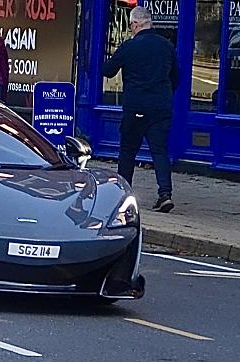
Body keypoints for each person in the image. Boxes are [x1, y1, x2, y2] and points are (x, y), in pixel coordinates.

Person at [102, 6, 179, 213]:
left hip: (136, 106)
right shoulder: (167, 46)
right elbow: (176, 78)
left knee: (127, 151)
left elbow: (107, 71)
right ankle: (165, 194)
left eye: (130, 25)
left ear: (135, 24)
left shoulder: (130, 46)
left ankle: (123, 195)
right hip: (161, 107)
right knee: (160, 151)